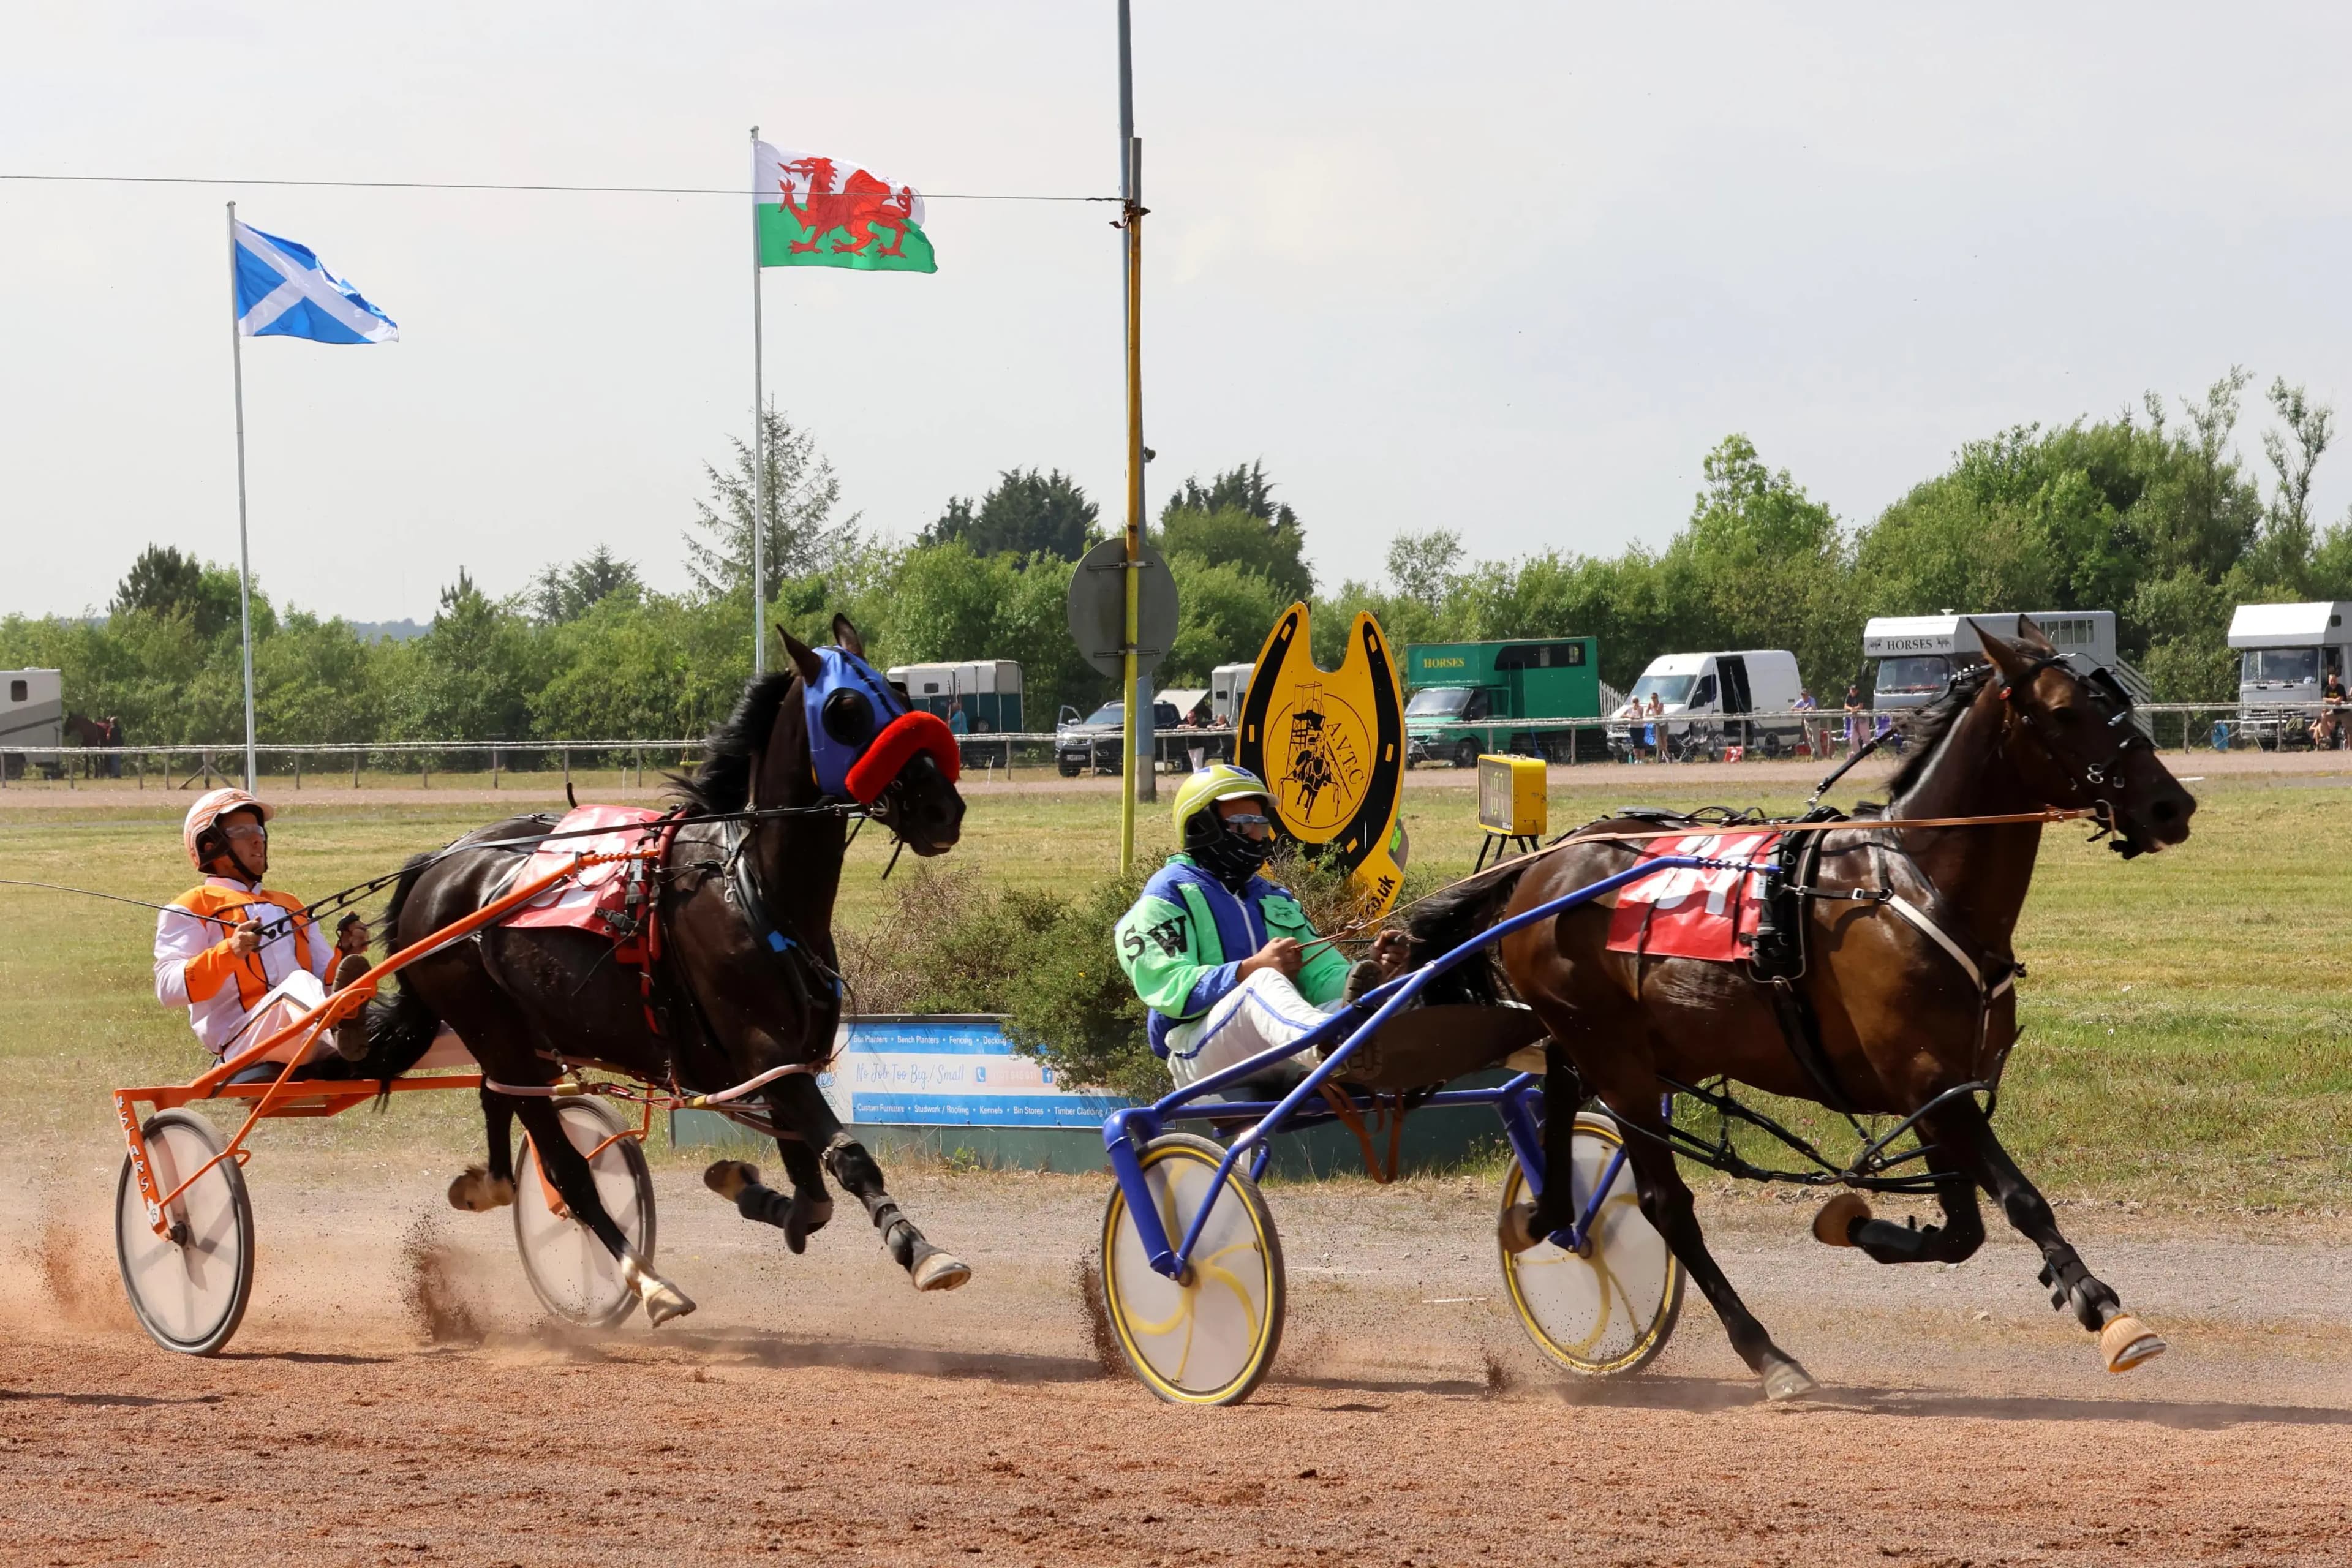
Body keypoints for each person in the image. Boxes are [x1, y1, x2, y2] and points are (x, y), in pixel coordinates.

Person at [1115, 765, 1409, 1091]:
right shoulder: (1167, 894)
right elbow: (1169, 987)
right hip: (1196, 1052)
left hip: (1280, 1043)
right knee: (1263, 983)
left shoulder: (1275, 897)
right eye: (1243, 824)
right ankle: (1336, 1044)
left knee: (1384, 999)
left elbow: (1324, 978)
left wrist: (1374, 971)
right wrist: (1249, 970)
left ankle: (1371, 1044)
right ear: (1201, 827)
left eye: (1261, 824)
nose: (1257, 835)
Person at [155, 788, 371, 1081]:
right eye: (242, 832)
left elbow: (325, 981)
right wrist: (229, 952)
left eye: (258, 831)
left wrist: (345, 954)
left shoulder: (290, 904)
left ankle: (351, 1029)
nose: (258, 839)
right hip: (243, 1042)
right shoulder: (191, 906)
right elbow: (168, 989)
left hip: (303, 1030)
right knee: (298, 985)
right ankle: (341, 1027)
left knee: (326, 990)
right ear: (210, 845)